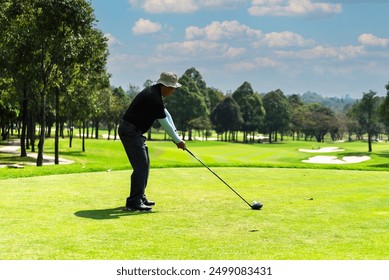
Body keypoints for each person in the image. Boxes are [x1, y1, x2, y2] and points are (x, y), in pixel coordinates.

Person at [118, 72, 186, 212]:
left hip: (134, 132)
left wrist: (177, 134)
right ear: (165, 86)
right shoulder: (153, 97)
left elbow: (167, 115)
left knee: (145, 164)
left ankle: (140, 197)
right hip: (130, 131)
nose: (173, 91)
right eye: (172, 88)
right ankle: (133, 202)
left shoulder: (155, 94)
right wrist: (177, 141)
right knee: (141, 166)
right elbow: (164, 124)